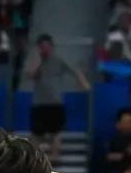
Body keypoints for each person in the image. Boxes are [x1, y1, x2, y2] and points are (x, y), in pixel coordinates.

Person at [28, 34, 91, 165]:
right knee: (36, 133)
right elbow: (32, 75)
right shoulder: (35, 61)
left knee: (56, 132)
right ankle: (35, 159)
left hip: (55, 102)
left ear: (51, 47)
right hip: (39, 102)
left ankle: (55, 158)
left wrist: (85, 84)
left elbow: (75, 71)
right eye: (41, 47)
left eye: (46, 46)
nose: (44, 49)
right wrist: (39, 61)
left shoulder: (58, 60)